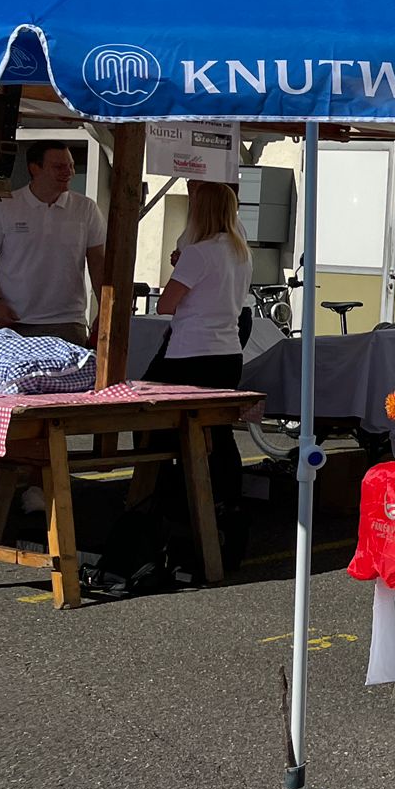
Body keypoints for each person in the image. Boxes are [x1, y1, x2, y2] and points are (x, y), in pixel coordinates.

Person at [149, 180, 251, 545]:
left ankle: (166, 497)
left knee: (163, 427)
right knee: (219, 432)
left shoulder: (198, 253)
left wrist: (180, 271)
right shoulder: (240, 252)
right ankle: (228, 499)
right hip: (228, 351)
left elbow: (165, 305)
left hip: (191, 351)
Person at [0, 139, 105, 346]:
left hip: (68, 322)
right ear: (35, 168)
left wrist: (105, 309)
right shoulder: (4, 206)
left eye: (71, 166)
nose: (69, 172)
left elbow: (98, 262)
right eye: (59, 167)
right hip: (14, 322)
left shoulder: (86, 208)